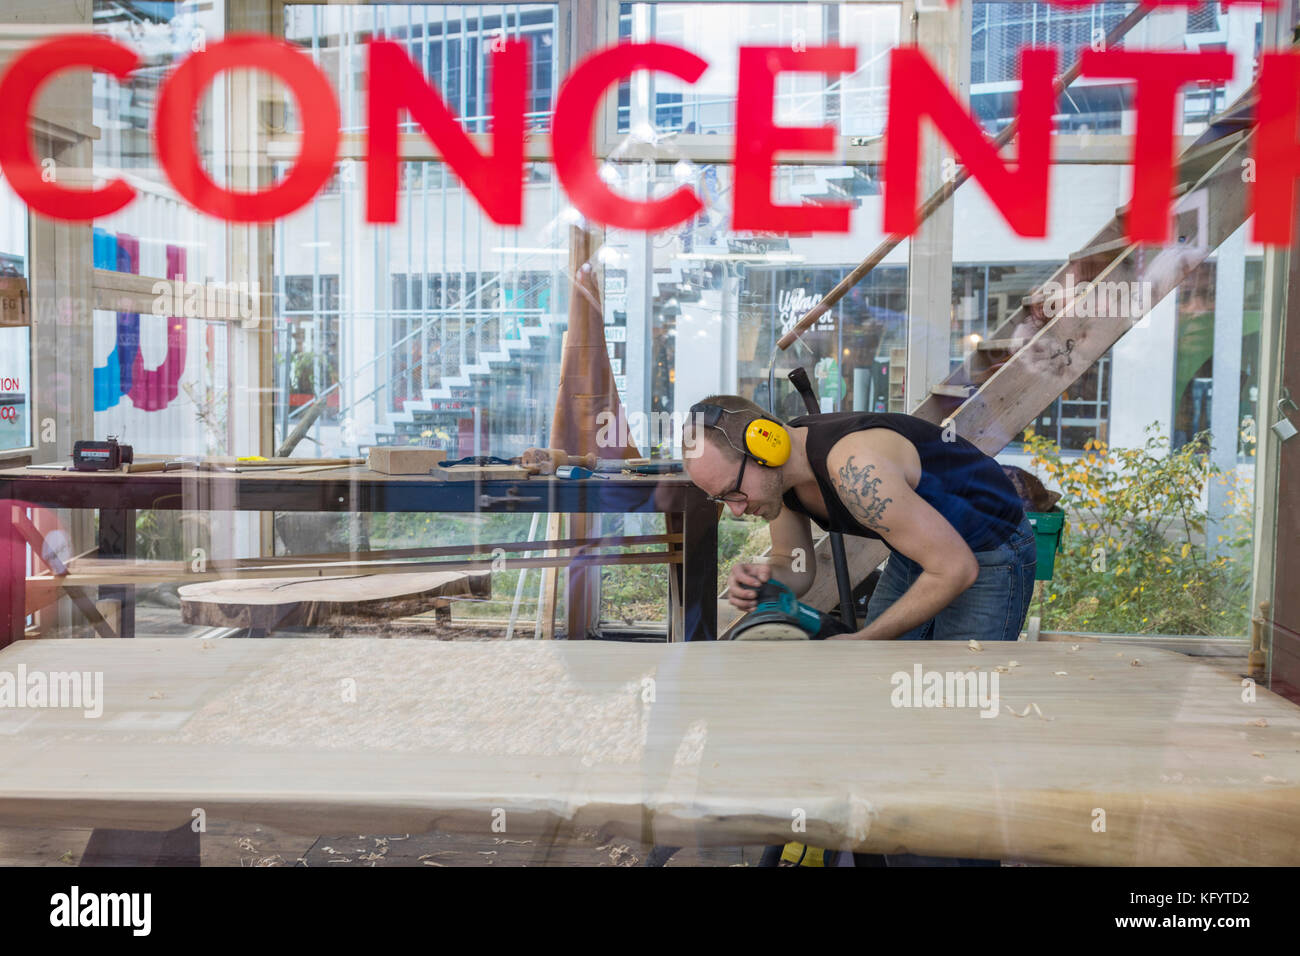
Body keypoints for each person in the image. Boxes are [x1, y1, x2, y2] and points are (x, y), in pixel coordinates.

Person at [683, 394, 1037, 642]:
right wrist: (768, 579)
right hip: (922, 552)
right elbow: (796, 567)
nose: (737, 510)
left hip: (989, 548)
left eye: (734, 491)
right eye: (721, 498)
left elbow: (955, 568)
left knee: (958, 695)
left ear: (766, 447)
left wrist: (862, 638)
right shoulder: (781, 480)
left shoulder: (857, 470)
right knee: (880, 675)